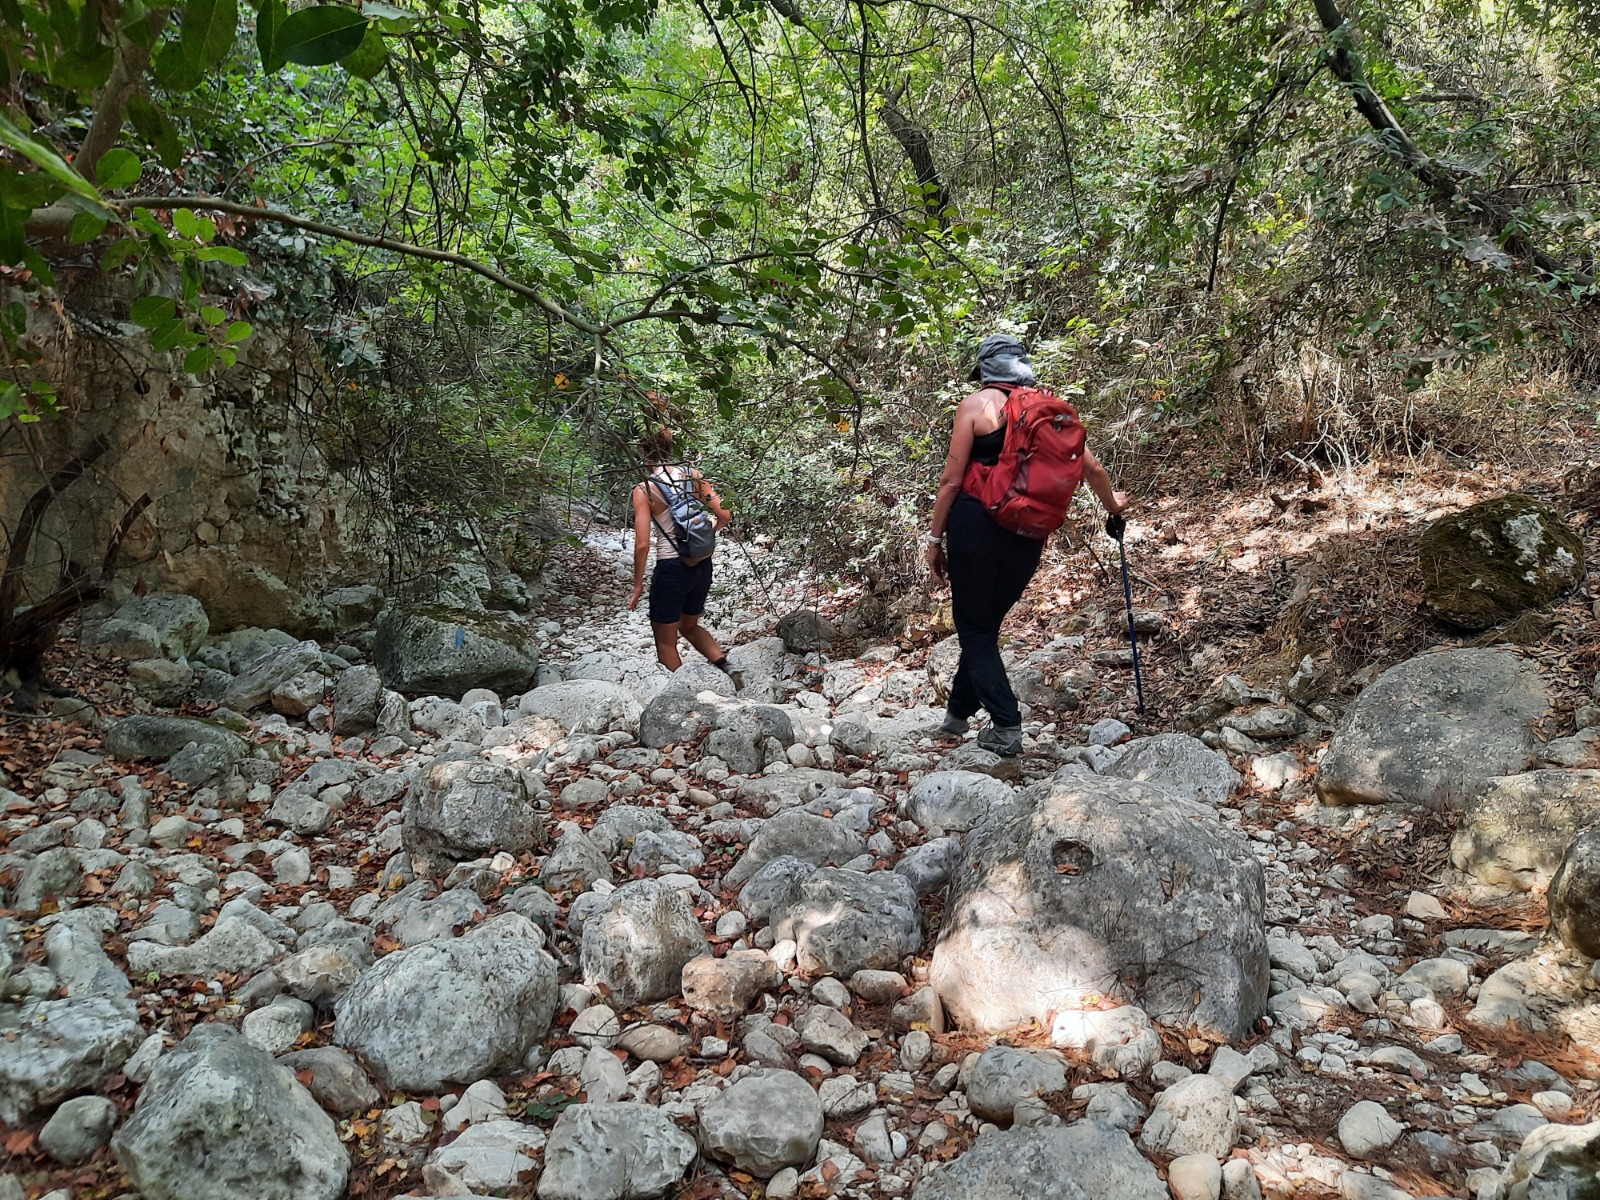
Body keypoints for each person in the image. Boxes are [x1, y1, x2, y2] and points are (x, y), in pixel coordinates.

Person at [925, 333, 1130, 756]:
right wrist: (1115, 506)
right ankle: (958, 713)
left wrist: (933, 539)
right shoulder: (1047, 409)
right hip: (1028, 533)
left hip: (976, 525)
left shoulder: (975, 405)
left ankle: (1005, 724)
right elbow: (1092, 469)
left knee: (976, 629)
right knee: (984, 626)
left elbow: (950, 481)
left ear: (983, 370)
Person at [628, 427, 740, 682]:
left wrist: (637, 585)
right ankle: (728, 668)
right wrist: (711, 531)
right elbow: (725, 514)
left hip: (671, 568)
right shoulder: (693, 475)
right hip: (701, 563)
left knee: (665, 642)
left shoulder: (644, 489)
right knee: (688, 625)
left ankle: (690, 696)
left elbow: (642, 544)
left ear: (644, 453)